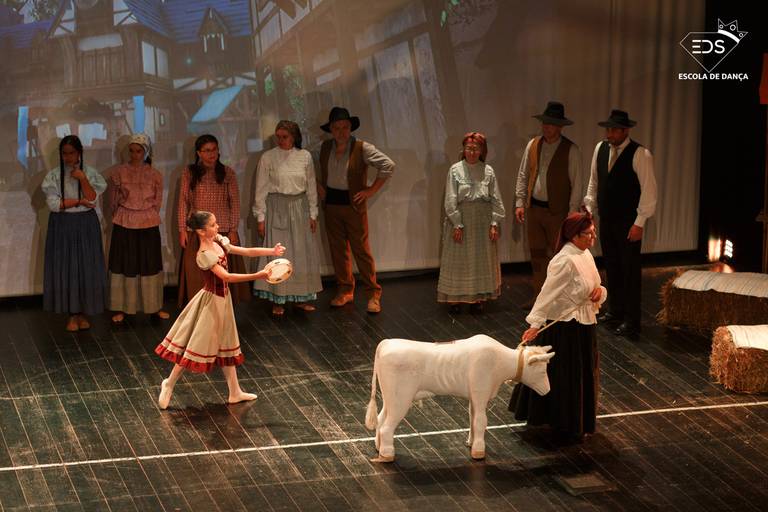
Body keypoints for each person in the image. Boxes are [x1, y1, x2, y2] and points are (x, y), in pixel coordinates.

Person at [155, 210, 285, 409]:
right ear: (201, 231)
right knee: (195, 346)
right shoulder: (204, 254)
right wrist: (257, 276)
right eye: (213, 225)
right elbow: (226, 277)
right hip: (210, 304)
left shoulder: (219, 242)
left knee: (227, 343)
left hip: (224, 301)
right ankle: (169, 383)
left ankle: (235, 392)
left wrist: (271, 252)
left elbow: (246, 251)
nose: (217, 227)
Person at [509, 211, 606, 443]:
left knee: (581, 375)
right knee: (565, 376)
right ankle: (562, 423)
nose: (593, 238)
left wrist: (600, 293)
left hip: (584, 326)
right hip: (565, 329)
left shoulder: (585, 254)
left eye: (593, 233)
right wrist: (535, 324)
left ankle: (576, 421)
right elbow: (547, 293)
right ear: (574, 235)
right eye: (588, 234)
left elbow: (598, 285)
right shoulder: (564, 260)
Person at [583, 110, 657, 339]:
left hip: (628, 222)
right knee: (612, 266)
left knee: (629, 271)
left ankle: (632, 320)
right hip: (607, 219)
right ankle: (615, 311)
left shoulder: (640, 154)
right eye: (608, 129)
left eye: (614, 130)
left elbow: (649, 191)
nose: (610, 134)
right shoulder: (601, 148)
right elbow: (594, 181)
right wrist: (589, 207)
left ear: (625, 130)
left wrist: (639, 223)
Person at [317, 106, 395, 314]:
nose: (341, 132)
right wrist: (317, 186)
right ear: (331, 129)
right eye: (336, 128)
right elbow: (307, 167)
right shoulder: (324, 148)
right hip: (331, 205)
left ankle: (373, 294)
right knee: (338, 250)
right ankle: (345, 291)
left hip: (353, 206)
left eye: (344, 127)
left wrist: (371, 190)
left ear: (350, 127)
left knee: (361, 250)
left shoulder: (362, 147)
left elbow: (388, 165)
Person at [515, 101, 584, 307]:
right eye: (545, 123)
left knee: (559, 257)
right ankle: (540, 298)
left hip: (557, 212)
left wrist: (572, 213)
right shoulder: (533, 145)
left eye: (551, 124)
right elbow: (523, 174)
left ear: (560, 127)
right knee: (537, 256)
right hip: (535, 209)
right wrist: (520, 202)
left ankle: (560, 301)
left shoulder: (571, 150)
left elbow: (577, 183)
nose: (546, 127)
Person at [253, 120, 322, 317]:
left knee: (300, 253)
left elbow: (311, 186)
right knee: (279, 255)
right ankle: (278, 298)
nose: (281, 140)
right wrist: (260, 217)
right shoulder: (268, 157)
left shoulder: (304, 156)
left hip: (300, 208)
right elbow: (261, 188)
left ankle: (301, 297)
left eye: (285, 137)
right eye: (278, 137)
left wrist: (313, 213)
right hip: (277, 207)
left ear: (294, 137)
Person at [42, 135, 108, 332]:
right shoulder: (54, 176)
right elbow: (54, 205)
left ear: (79, 153)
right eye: (65, 153)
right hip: (63, 224)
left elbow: (92, 198)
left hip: (86, 224)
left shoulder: (90, 173)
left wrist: (83, 179)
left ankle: (82, 313)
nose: (68, 157)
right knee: (67, 266)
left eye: (72, 153)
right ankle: (71, 314)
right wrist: (77, 202)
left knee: (85, 266)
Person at [177, 134, 250, 306]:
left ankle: (222, 304)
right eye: (207, 150)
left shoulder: (227, 173)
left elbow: (234, 202)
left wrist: (233, 229)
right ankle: (198, 305)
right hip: (198, 229)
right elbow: (183, 201)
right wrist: (182, 229)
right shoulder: (190, 172)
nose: (212, 154)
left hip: (220, 228)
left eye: (214, 150)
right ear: (199, 153)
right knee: (197, 272)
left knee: (221, 271)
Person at [437, 132, 505, 313]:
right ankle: (455, 298)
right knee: (458, 258)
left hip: (482, 219)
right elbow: (450, 198)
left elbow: (496, 198)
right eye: (469, 148)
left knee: (479, 260)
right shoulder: (455, 170)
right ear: (463, 149)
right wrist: (456, 223)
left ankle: (477, 297)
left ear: (482, 150)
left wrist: (494, 223)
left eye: (476, 148)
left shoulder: (488, 170)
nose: (472, 152)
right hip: (462, 218)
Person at [107, 133, 169, 323]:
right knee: (125, 264)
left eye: (138, 151)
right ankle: (122, 308)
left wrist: (145, 214)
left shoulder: (155, 174)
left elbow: (157, 201)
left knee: (150, 264)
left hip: (148, 222)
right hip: (124, 222)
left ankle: (154, 307)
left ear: (145, 152)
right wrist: (123, 213)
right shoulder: (118, 173)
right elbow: (113, 200)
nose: (134, 155)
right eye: (132, 151)